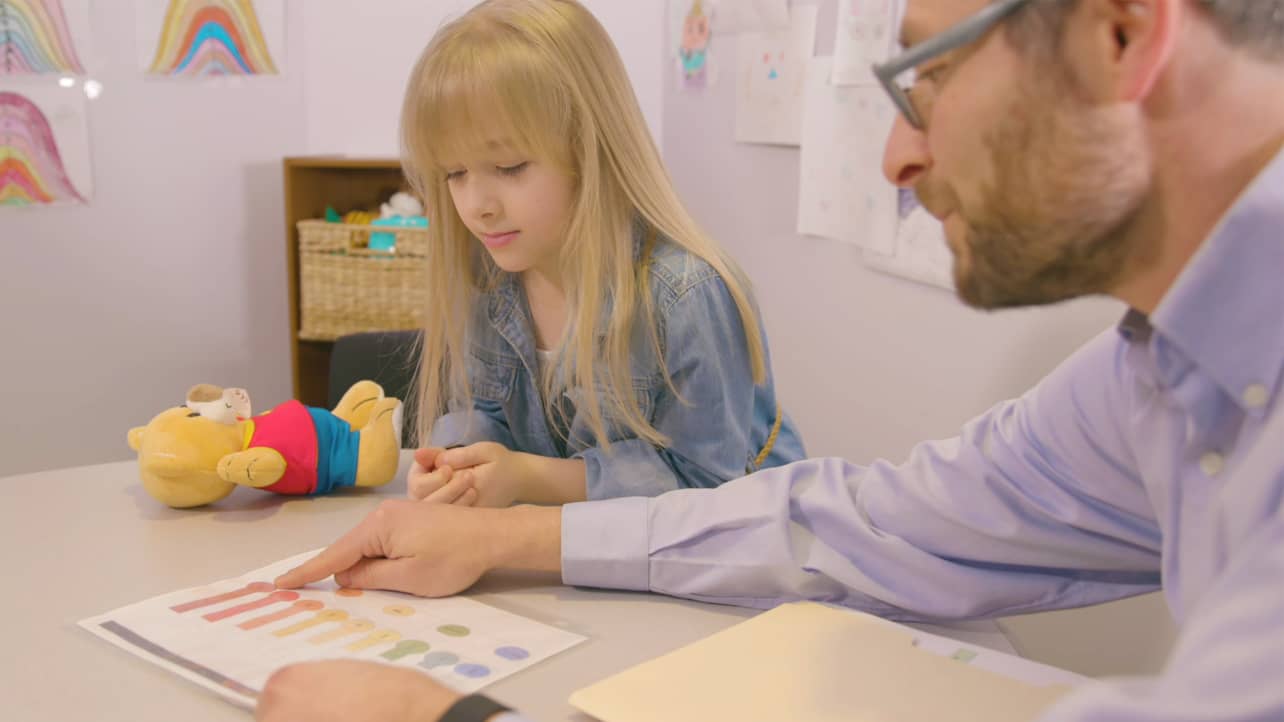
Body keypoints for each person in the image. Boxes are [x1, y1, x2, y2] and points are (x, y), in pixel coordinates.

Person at [256, 0, 1284, 720]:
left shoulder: (681, 288)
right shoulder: (1160, 368)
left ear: (1123, 29)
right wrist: (510, 534)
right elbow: (866, 518)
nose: (895, 158)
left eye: (931, 73)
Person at [394, 0, 803, 511]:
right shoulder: (491, 279)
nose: (477, 207)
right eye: (454, 173)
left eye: (509, 166)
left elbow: (707, 492)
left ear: (592, 151)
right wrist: (455, 461)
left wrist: (530, 478)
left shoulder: (687, 296)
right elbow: (479, 410)